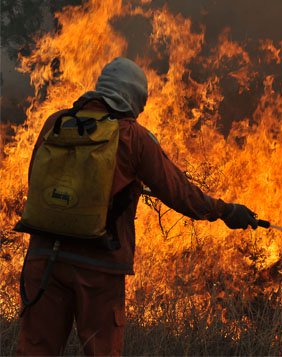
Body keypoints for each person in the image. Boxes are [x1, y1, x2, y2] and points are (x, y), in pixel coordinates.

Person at [14, 58, 260, 355]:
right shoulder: (133, 137)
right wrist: (225, 211)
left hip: (43, 259)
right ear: (132, 98)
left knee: (35, 352)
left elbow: (35, 183)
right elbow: (180, 193)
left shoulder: (56, 123)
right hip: (99, 267)